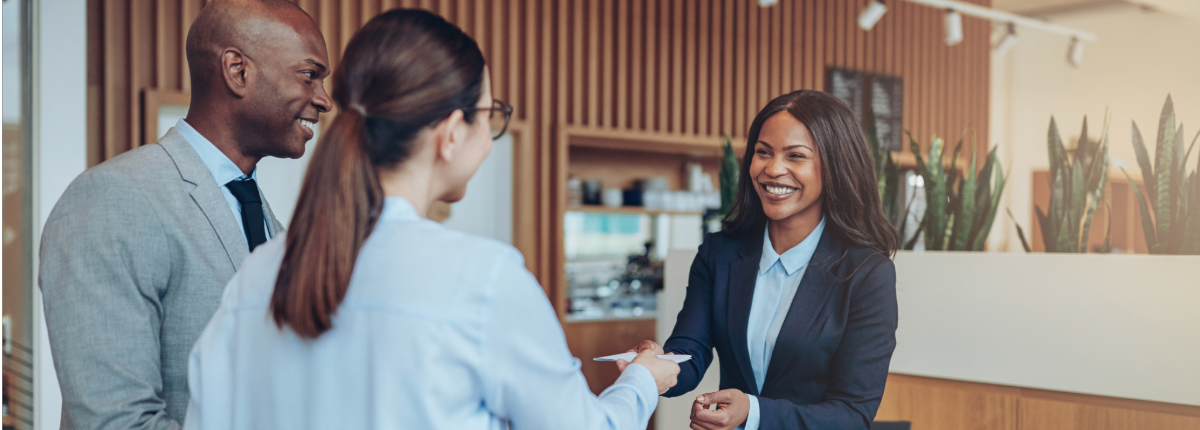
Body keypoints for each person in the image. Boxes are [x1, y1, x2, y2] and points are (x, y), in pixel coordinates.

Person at [182, 9, 679, 430]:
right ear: (449, 134)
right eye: (489, 114)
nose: (490, 135)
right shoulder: (483, 279)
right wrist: (642, 381)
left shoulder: (255, 277)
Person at [38, 1, 331, 428]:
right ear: (237, 70)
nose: (323, 100)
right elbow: (117, 422)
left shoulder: (268, 222)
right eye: (310, 75)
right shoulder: (114, 199)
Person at [627, 90, 899, 430]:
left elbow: (853, 414)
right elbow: (690, 349)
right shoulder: (720, 252)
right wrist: (657, 366)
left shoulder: (867, 274)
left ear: (834, 166)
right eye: (763, 152)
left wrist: (753, 413)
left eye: (795, 156)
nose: (773, 169)